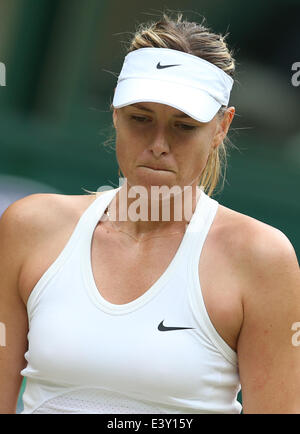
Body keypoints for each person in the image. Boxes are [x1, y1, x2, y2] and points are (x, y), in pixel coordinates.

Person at [0, 12, 300, 415]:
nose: (159, 143)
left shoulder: (263, 258)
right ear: (114, 113)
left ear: (221, 128)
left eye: (183, 126)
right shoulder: (28, 227)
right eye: (141, 119)